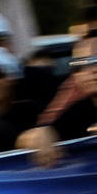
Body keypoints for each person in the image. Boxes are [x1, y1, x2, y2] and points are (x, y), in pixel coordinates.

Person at [19, 35, 97, 165]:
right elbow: (31, 135)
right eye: (79, 65)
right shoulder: (74, 111)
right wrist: (37, 135)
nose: (91, 70)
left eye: (95, 61)